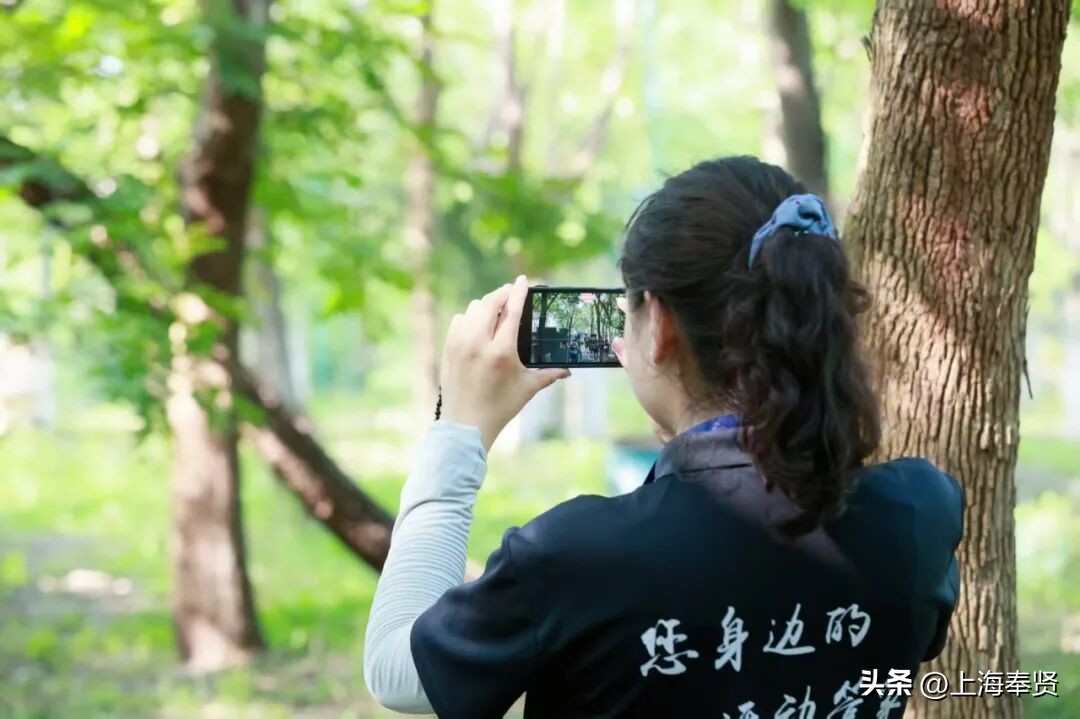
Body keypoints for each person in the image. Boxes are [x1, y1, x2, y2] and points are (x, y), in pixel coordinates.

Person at [363, 156, 964, 719]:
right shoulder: (918, 512)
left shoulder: (573, 557)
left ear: (661, 326)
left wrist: (459, 430)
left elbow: (396, 670)